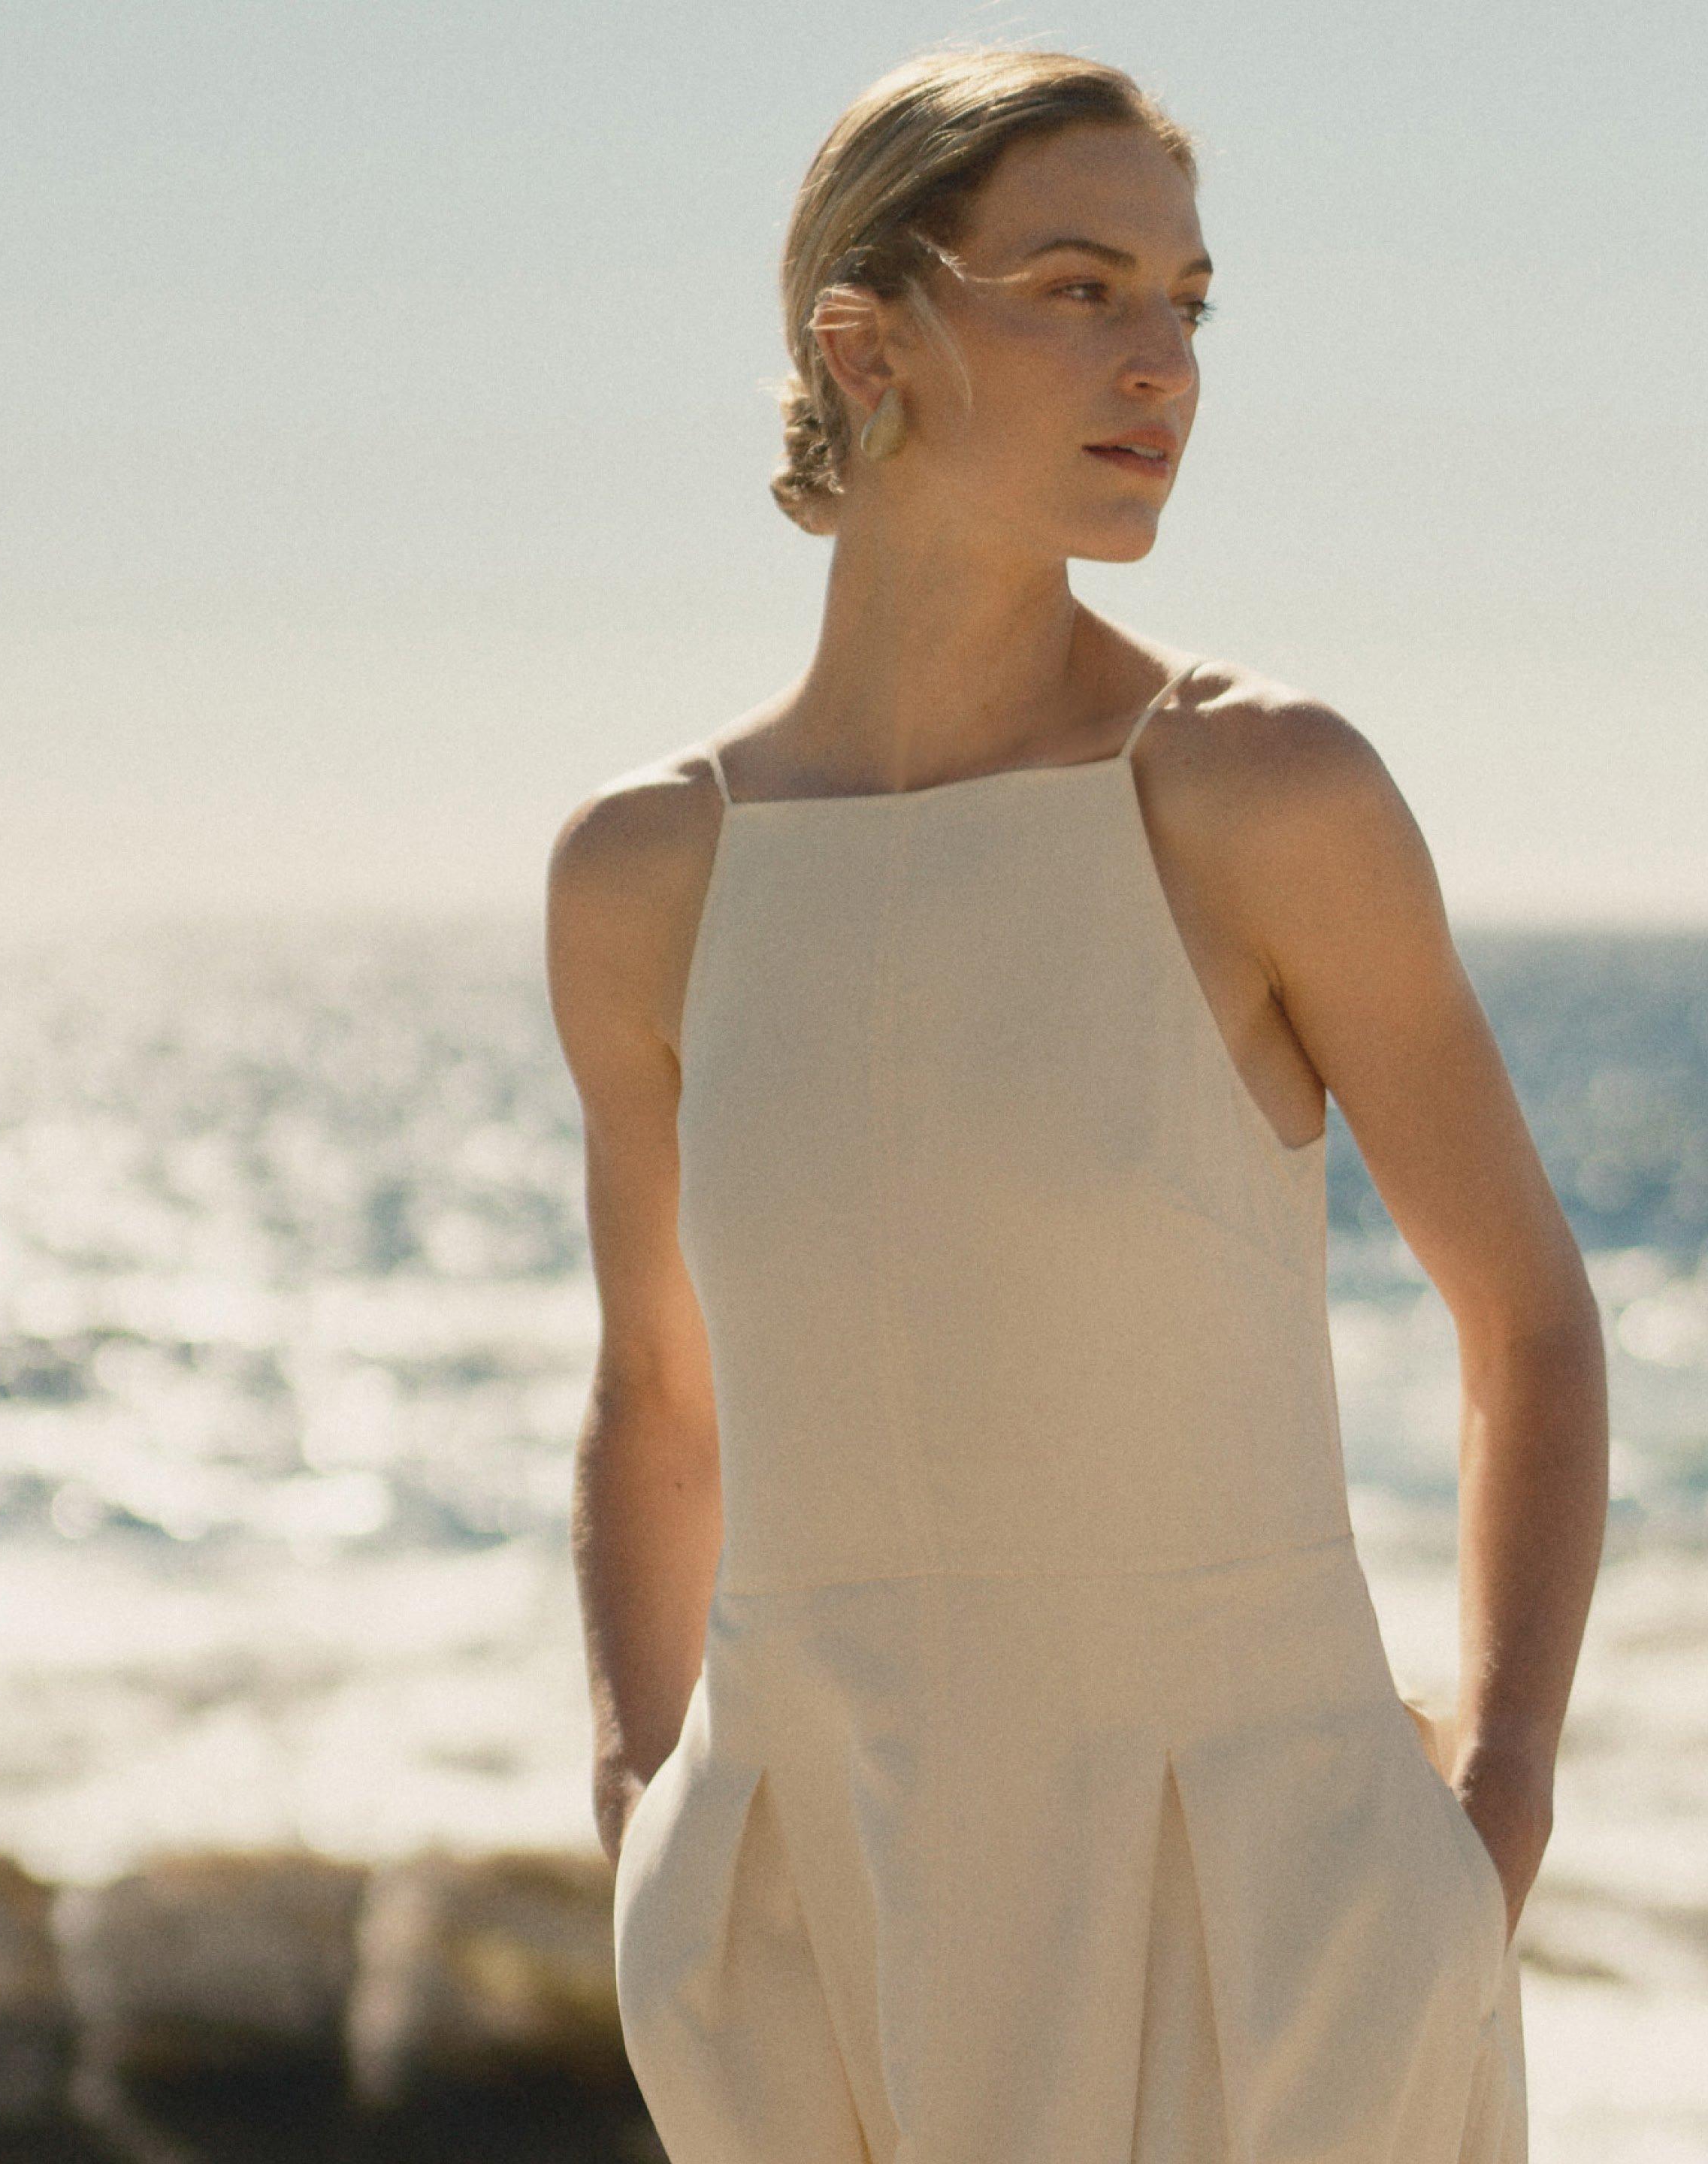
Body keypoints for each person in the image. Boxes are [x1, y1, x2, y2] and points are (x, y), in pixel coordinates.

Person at [540, 44, 1607, 2163]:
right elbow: (661, 1392)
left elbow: (1529, 1321)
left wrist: (1489, 1824)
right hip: (804, 1931)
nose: (1163, 365)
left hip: (1267, 1921)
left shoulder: (1257, 790)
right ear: (865, 345)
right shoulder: (651, 871)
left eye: (1187, 303)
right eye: (1078, 289)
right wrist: (643, 1809)